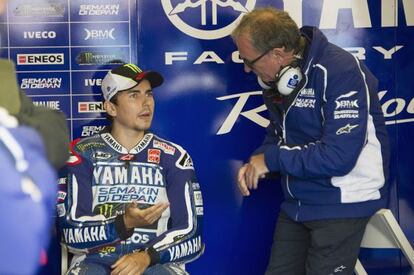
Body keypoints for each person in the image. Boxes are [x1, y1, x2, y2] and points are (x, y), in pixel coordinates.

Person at [232, 7, 389, 275]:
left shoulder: (341, 70)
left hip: (343, 202)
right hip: (297, 204)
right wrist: (257, 163)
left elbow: (338, 157)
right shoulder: (276, 78)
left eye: (249, 60)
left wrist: (270, 159)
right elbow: (278, 133)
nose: (246, 68)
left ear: (278, 54)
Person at [57, 63, 204, 275]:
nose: (146, 103)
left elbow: (192, 233)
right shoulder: (81, 154)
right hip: (94, 262)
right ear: (111, 107)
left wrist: (147, 256)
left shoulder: (174, 157)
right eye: (134, 95)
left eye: (149, 94)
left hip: (156, 262)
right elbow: (70, 231)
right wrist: (123, 223)